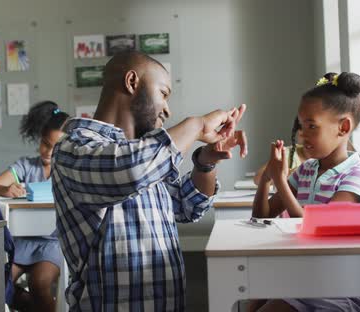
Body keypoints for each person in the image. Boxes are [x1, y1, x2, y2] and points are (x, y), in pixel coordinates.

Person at [52, 51, 247, 311]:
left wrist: (206, 162)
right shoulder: (74, 146)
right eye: (164, 94)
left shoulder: (146, 154)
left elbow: (187, 205)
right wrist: (197, 125)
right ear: (132, 82)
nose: (167, 109)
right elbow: (130, 173)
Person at [251, 72, 360, 312]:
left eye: (311, 126)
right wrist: (267, 179)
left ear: (343, 127)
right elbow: (262, 217)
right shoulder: (307, 170)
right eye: (300, 125)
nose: (301, 134)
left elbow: (320, 231)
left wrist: (281, 182)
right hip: (303, 279)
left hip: (340, 287)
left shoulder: (357, 174)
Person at [0, 100, 69, 312]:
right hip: (22, 241)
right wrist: (5, 190)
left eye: (55, 147)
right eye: (45, 144)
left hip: (53, 242)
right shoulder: (26, 166)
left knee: (39, 284)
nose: (48, 152)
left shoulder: (70, 171)